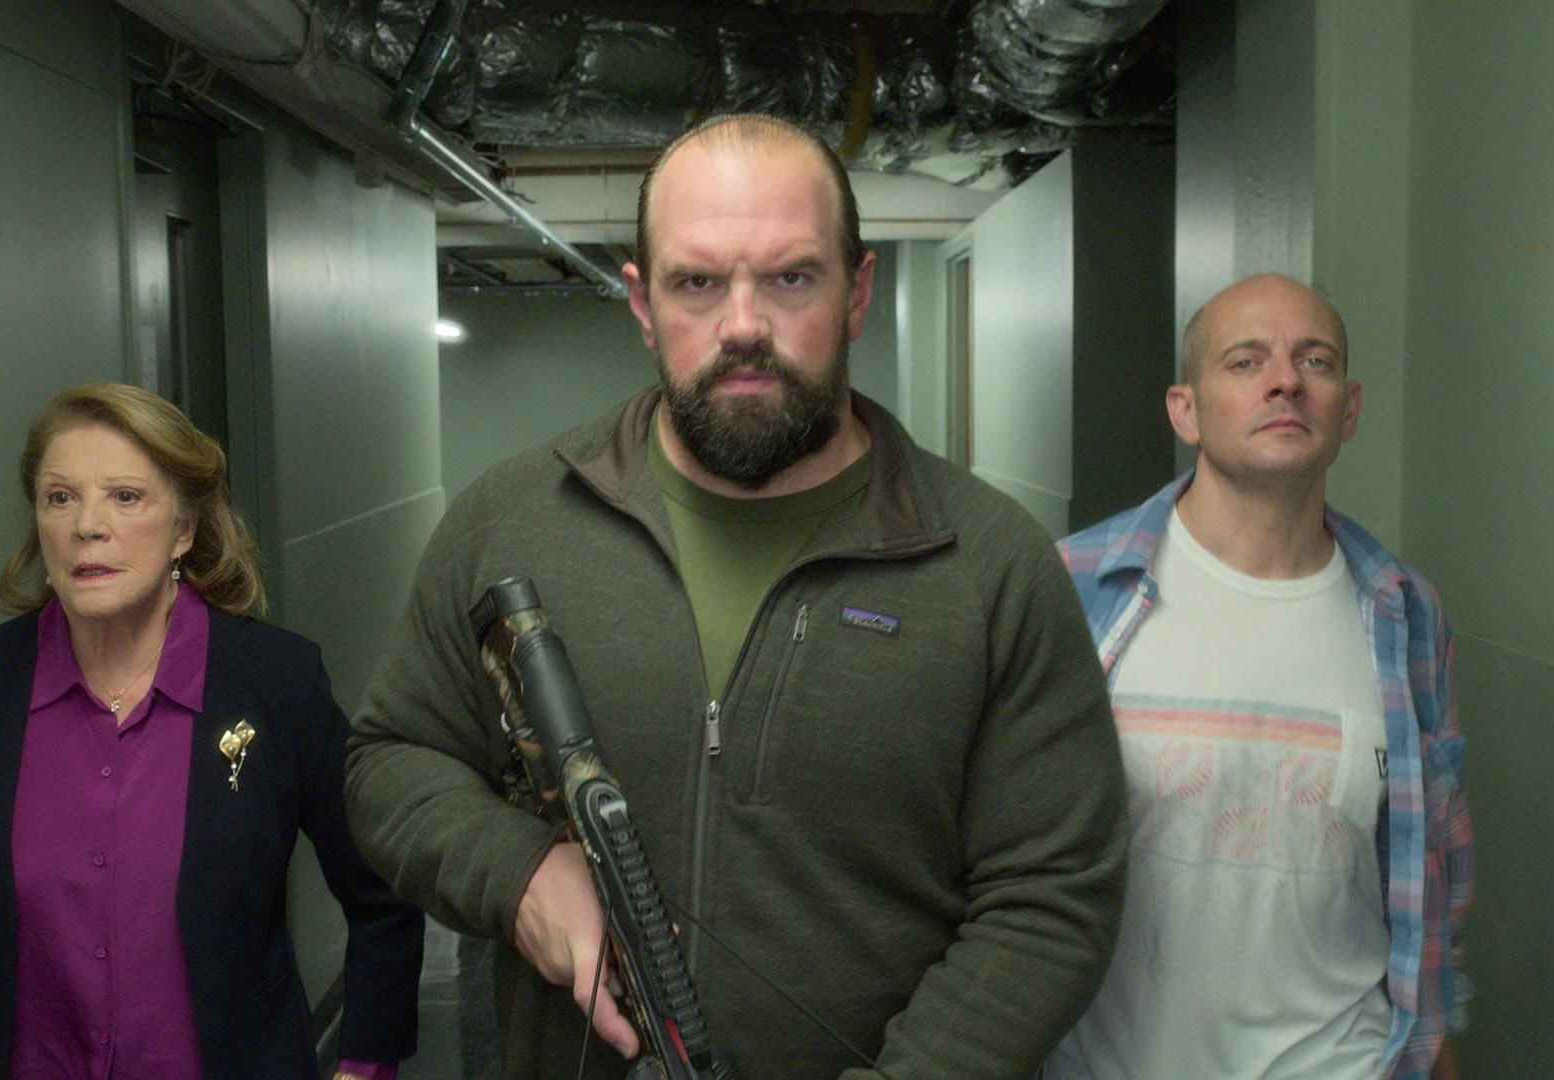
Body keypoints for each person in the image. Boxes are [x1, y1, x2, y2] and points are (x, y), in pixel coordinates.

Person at [344, 113, 1127, 1079]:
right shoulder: (508, 520)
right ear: (641, 302)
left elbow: (1052, 897)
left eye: (791, 277)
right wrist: (519, 874)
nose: (745, 325)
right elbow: (391, 761)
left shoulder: (992, 567)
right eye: (698, 283)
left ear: (857, 292)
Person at [0, 383, 423, 1080]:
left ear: (184, 530)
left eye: (125, 497)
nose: (87, 525)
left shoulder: (276, 682)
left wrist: (364, 1065)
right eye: (60, 498)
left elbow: (382, 891)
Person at [1045, 274, 1473, 1080]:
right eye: (1245, 362)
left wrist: (1439, 1053)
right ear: (1185, 410)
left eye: (1316, 360)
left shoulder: (1406, 614)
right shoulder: (1071, 589)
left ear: (1349, 410)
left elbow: (1436, 875)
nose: (1285, 381)